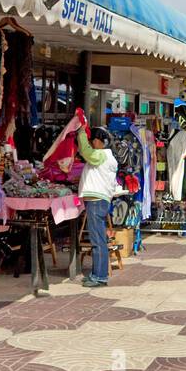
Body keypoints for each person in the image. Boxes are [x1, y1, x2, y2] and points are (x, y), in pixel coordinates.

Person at [76, 121, 119, 288]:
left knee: (97, 240)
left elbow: (86, 152)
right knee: (99, 239)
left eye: (94, 139)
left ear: (102, 141)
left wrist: (81, 133)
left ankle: (99, 276)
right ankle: (98, 274)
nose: (92, 142)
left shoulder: (101, 155)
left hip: (96, 201)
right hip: (99, 201)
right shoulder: (107, 157)